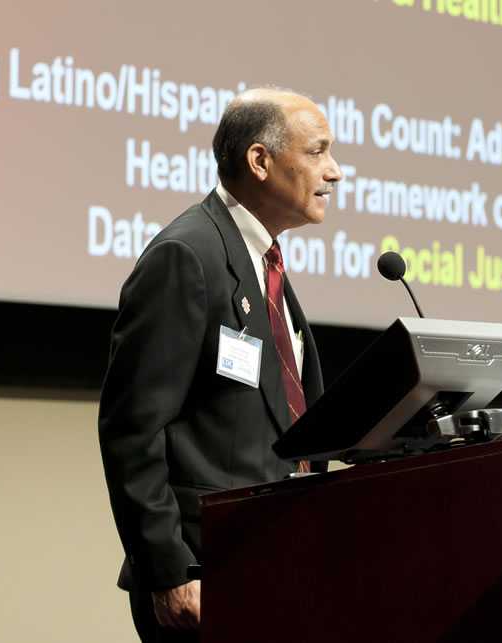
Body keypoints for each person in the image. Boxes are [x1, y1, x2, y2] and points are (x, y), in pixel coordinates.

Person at [98, 88, 342, 642]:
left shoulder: (260, 261)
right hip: (206, 574)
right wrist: (169, 571)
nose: (334, 171)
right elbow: (132, 429)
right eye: (317, 151)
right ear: (260, 161)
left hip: (276, 560)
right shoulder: (187, 255)